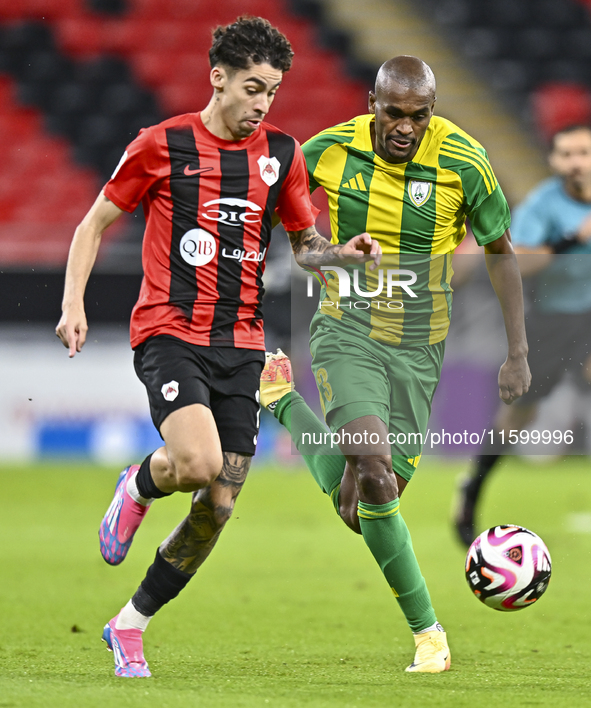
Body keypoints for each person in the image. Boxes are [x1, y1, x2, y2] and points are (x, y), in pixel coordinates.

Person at [55, 16, 378, 678]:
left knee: (219, 506)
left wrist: (339, 255)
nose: (261, 103)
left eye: (273, 91)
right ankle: (140, 484)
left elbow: (303, 245)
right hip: (170, 330)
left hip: (243, 344)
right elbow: (94, 224)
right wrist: (72, 305)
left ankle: (129, 625)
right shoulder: (160, 144)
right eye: (253, 87)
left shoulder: (281, 155)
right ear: (218, 78)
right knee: (199, 463)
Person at [259, 55, 531, 674]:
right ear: (372, 103)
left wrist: (517, 352)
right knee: (376, 471)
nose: (406, 127)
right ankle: (429, 636)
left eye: (420, 115)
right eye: (394, 113)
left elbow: (501, 252)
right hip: (344, 330)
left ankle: (281, 404)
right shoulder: (329, 151)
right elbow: (278, 224)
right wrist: (313, 261)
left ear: (432, 110)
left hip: (419, 347)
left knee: (362, 507)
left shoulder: (465, 162)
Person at [454, 124, 591, 547]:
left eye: (583, 152)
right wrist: (570, 240)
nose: (575, 162)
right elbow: (518, 263)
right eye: (566, 154)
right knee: (518, 417)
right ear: (553, 161)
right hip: (552, 321)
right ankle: (471, 491)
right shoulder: (543, 205)